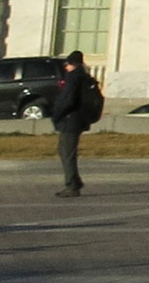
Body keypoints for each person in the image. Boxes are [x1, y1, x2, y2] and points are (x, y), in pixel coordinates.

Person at [46, 48, 103, 199]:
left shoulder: (73, 77)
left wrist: (56, 114)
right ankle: (75, 182)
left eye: (67, 64)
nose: (66, 67)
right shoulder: (84, 77)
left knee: (67, 153)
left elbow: (68, 99)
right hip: (79, 119)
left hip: (70, 119)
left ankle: (72, 185)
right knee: (66, 151)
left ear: (72, 64)